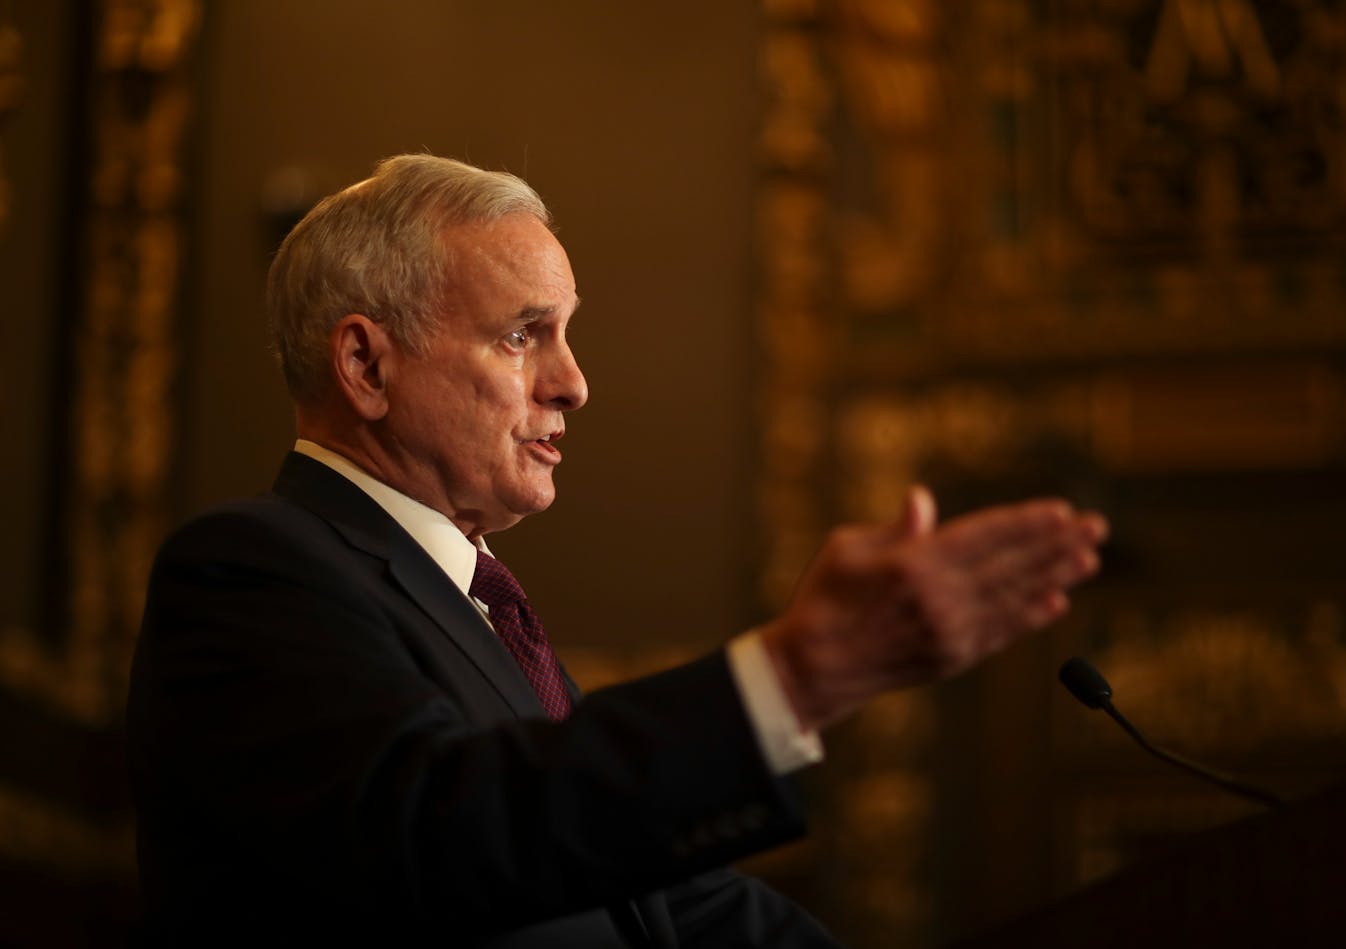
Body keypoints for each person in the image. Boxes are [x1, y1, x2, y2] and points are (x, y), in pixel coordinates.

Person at [125, 154, 1107, 947]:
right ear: (365, 364)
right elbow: (443, 833)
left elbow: (679, 902)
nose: (573, 383)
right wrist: (790, 677)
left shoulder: (481, 610)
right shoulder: (250, 570)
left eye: (566, 334)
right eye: (523, 335)